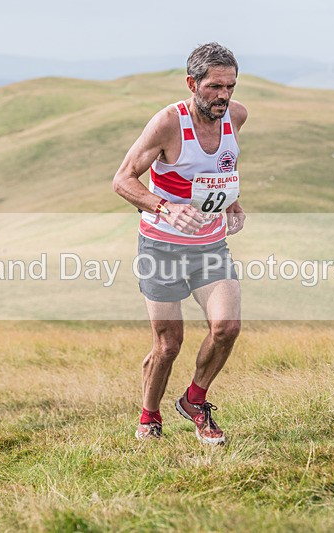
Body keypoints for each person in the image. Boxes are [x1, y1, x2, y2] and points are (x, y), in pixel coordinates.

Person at [112, 43, 248, 445]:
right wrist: (164, 207)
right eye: (214, 87)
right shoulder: (168, 124)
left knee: (226, 328)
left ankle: (194, 400)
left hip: (209, 245)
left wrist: (233, 200)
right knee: (168, 345)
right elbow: (122, 179)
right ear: (192, 83)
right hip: (162, 248)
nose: (224, 96)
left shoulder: (236, 116)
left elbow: (224, 164)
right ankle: (149, 415)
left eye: (230, 86)